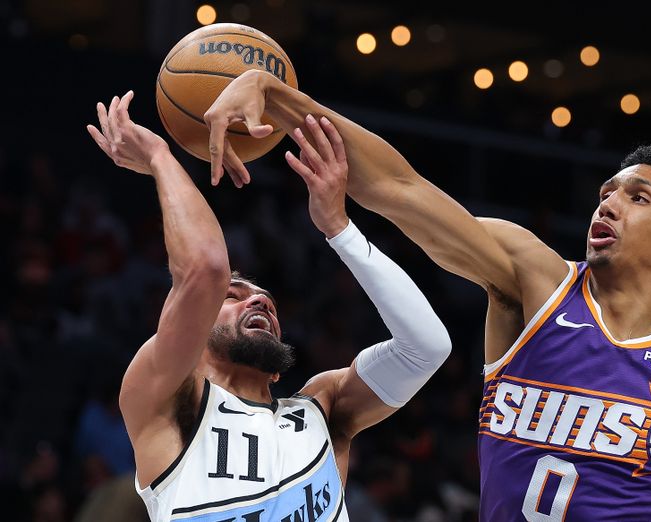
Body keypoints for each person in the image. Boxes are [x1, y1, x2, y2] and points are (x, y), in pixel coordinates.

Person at [201, 69, 651, 520]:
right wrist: (272, 94)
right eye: (606, 192)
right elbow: (400, 187)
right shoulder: (531, 280)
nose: (609, 203)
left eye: (638, 197)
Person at [85, 90, 451, 522]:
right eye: (232, 297)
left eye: (266, 302)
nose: (258, 299)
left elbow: (427, 348)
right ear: (192, 334)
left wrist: (339, 228)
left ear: (278, 370)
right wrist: (159, 158)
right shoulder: (168, 397)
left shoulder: (324, 408)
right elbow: (204, 269)